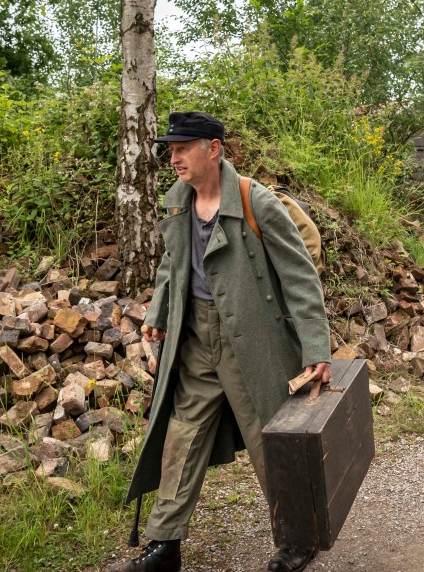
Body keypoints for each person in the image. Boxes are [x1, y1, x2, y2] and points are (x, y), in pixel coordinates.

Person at [108, 111, 332, 572]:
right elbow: (173, 265)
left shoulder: (258, 202)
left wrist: (315, 350)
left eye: (182, 148)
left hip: (252, 339)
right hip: (196, 336)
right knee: (182, 435)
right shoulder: (177, 202)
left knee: (266, 436)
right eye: (170, 150)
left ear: (213, 148)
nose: (173, 158)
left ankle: (297, 536)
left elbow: (300, 278)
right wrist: (157, 311)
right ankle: (165, 542)